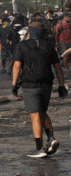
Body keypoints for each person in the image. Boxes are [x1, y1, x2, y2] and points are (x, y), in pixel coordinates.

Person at [14, 23, 66, 158]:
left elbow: (17, 66)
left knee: (35, 115)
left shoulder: (22, 46)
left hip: (30, 85)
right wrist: (61, 85)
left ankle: (39, 149)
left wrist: (14, 85)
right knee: (42, 112)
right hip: (47, 84)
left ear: (30, 32)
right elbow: (58, 67)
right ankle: (51, 138)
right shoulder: (49, 46)